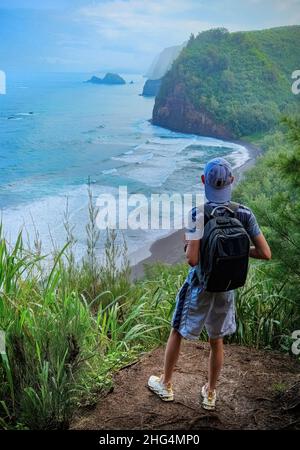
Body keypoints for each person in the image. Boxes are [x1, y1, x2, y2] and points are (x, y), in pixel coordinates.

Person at [148, 157, 271, 410]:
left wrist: (197, 247)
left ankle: (166, 383)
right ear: (232, 180)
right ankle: (211, 393)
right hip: (226, 287)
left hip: (200, 286)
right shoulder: (244, 213)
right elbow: (265, 253)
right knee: (217, 339)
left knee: (177, 329)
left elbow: (192, 259)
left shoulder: (198, 214)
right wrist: (235, 251)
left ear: (203, 181)